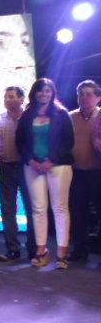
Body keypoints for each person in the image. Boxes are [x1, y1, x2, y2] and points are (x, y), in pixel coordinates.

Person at [16, 78, 74, 269]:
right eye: (40, 90)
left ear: (52, 93)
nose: (44, 94)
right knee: (38, 209)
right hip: (33, 167)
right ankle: (41, 251)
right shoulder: (27, 115)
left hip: (58, 166)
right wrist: (32, 161)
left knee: (60, 208)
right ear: (35, 93)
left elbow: (68, 141)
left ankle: (62, 254)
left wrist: (51, 160)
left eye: (48, 90)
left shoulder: (62, 114)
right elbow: (20, 142)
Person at [0, 86, 36, 260]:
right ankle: (13, 248)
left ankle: (33, 247)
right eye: (5, 97)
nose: (7, 100)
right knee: (7, 209)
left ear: (21, 99)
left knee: (31, 207)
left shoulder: (29, 118)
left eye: (11, 97)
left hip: (26, 167)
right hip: (5, 166)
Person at [67, 80, 101, 262]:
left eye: (89, 94)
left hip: (98, 173)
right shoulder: (69, 117)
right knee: (77, 212)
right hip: (76, 173)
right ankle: (80, 250)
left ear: (98, 97)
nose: (84, 97)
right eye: (81, 94)